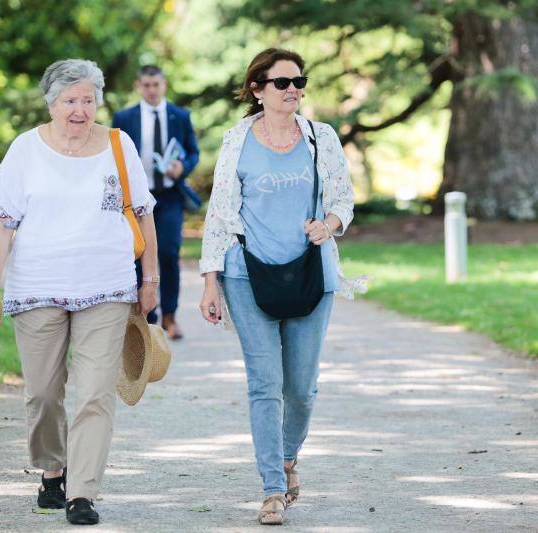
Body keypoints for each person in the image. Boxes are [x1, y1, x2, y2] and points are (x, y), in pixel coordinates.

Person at [0, 58, 158, 526]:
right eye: (70, 100)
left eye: (88, 100)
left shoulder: (119, 145)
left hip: (107, 286)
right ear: (51, 103)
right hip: (36, 288)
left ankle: (82, 493)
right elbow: (2, 225)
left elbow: (143, 212)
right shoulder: (25, 150)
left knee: (95, 392)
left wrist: (151, 279)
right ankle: (52, 470)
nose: (80, 110)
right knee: (42, 393)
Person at [198, 48, 365, 525]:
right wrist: (210, 283)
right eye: (281, 82)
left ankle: (289, 455)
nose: (293, 89)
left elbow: (343, 198)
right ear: (258, 89)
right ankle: (272, 487)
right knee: (265, 385)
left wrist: (328, 223)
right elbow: (219, 215)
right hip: (246, 273)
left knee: (303, 388)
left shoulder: (320, 137)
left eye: (298, 81)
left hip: (312, 272)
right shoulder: (236, 141)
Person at [112, 65, 200, 339]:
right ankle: (146, 319)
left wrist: (181, 167)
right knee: (138, 253)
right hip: (136, 200)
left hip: (169, 195)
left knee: (169, 253)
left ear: (164, 85)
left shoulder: (180, 115)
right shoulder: (125, 117)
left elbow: (193, 153)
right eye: (146, 85)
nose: (151, 89)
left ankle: (170, 317)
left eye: (156, 84)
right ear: (139, 86)